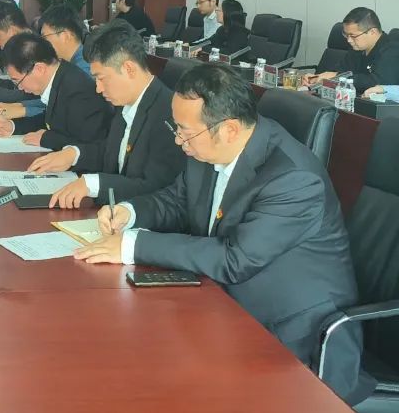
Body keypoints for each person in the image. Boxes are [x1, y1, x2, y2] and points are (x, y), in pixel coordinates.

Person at [74, 64, 369, 404]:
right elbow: (178, 199)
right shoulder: (209, 146)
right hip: (223, 307)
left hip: (293, 337)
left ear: (228, 129)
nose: (178, 140)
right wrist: (131, 212)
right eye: (176, 128)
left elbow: (235, 259)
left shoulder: (293, 179)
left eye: (185, 132)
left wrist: (133, 245)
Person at [28, 20, 184, 208]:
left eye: (101, 78)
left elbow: (156, 189)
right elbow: (112, 153)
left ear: (128, 69)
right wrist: (73, 154)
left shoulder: (170, 114)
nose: (98, 88)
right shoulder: (125, 102)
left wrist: (93, 184)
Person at [0, 33, 113, 150]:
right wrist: (12, 126)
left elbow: (88, 144)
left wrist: (47, 139)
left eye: (17, 81)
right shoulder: (61, 77)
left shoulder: (78, 91)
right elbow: (49, 121)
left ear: (39, 69)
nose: (19, 88)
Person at [0, 4, 91, 120]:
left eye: (45, 37)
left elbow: (61, 109)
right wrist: (20, 105)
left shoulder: (84, 68)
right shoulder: (68, 63)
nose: (42, 43)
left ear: (65, 36)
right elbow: (52, 99)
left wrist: (24, 110)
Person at [302, 7, 399, 94]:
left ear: (372, 32)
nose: (349, 40)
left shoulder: (394, 51)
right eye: (346, 35)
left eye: (353, 36)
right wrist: (318, 78)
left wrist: (335, 77)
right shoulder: (357, 48)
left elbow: (375, 83)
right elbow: (340, 70)